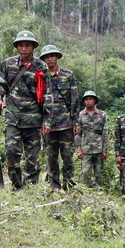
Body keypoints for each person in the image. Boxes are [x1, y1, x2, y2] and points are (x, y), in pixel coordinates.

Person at [0, 31, 53, 189]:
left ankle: (31, 188)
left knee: (32, 157)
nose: (24, 48)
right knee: (11, 153)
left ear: (33, 47)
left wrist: (47, 120)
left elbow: (47, 94)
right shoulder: (8, 63)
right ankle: (17, 185)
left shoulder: (41, 66)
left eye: (27, 45)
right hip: (13, 117)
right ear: (17, 46)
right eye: (21, 45)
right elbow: (0, 83)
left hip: (33, 119)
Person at [39, 44, 79, 190]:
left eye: (52, 56)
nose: (50, 59)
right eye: (46, 57)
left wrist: (75, 121)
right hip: (47, 124)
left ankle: (68, 184)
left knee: (68, 156)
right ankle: (54, 185)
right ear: (43, 59)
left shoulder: (68, 75)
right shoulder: (40, 76)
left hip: (66, 123)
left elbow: (74, 99)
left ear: (57, 57)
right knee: (51, 156)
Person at [75, 90, 108, 189]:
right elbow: (77, 134)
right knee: (85, 172)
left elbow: (105, 133)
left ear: (95, 101)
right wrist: (78, 150)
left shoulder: (102, 115)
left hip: (98, 148)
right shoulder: (80, 115)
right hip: (85, 148)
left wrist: (104, 149)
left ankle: (98, 191)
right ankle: (86, 190)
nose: (88, 101)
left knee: (98, 172)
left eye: (90, 99)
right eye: (86, 99)